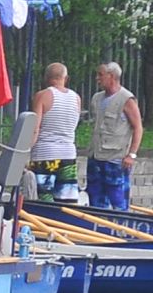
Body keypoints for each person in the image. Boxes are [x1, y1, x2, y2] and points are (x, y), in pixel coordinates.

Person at [88, 61, 142, 211]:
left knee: (119, 202)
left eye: (100, 75)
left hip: (116, 159)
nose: (97, 78)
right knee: (95, 201)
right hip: (96, 157)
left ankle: (119, 231)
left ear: (111, 76)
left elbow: (138, 127)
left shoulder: (127, 99)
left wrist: (131, 155)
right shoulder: (97, 98)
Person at [29, 62, 81, 200]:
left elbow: (35, 128)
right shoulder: (76, 98)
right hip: (68, 155)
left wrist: (26, 150)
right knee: (66, 201)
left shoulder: (42, 96)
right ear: (66, 78)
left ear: (47, 78)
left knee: (44, 198)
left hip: (44, 155)